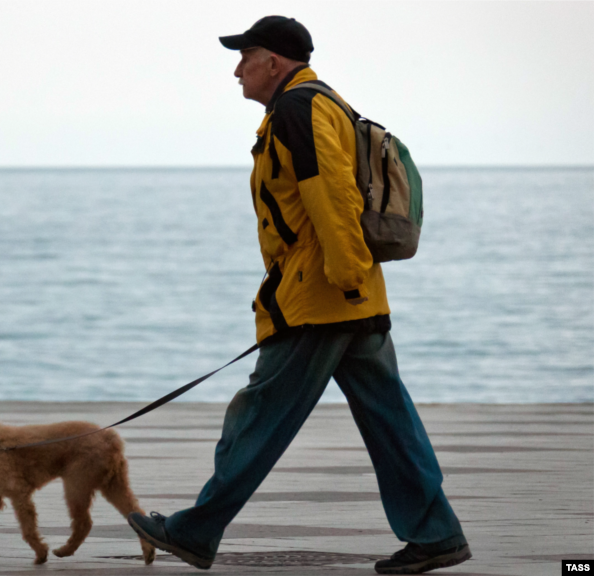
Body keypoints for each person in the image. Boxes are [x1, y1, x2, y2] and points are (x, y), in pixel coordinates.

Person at [127, 16, 471, 575]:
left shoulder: (299, 108)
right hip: (347, 293)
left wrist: (348, 280)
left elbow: (330, 198)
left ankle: (195, 530)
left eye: (246, 55)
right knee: (390, 420)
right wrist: (358, 288)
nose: (237, 68)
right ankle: (436, 535)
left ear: (275, 62)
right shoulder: (313, 105)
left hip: (324, 296)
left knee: (258, 415)